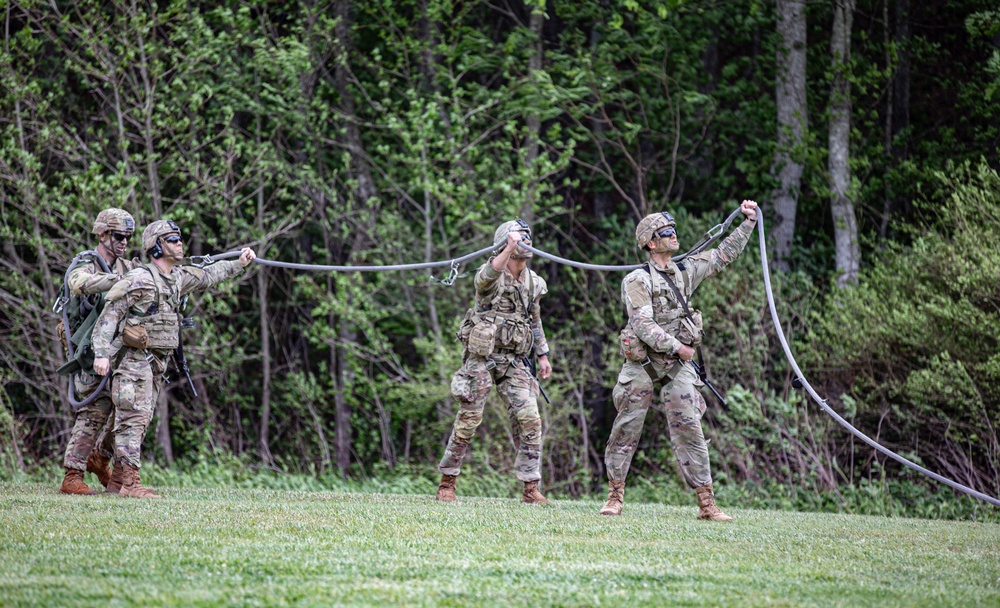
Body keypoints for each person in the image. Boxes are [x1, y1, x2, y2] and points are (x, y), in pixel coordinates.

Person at [600, 200, 759, 520]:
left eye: (674, 231)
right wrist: (678, 346)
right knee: (627, 427)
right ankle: (615, 495)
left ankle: (707, 503)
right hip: (643, 364)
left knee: (690, 427)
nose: (675, 236)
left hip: (677, 367)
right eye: (667, 232)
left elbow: (722, 255)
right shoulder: (636, 280)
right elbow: (643, 325)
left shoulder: (686, 270)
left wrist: (748, 223)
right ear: (650, 242)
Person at [91, 220, 256, 499]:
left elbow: (208, 275)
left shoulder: (177, 277)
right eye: (171, 239)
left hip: (157, 363)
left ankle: (116, 477)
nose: (179, 243)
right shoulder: (140, 278)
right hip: (134, 360)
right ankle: (130, 483)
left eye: (179, 238)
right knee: (134, 418)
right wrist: (101, 353)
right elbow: (110, 315)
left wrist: (239, 262)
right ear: (156, 246)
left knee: (137, 418)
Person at [435, 219, 554, 504]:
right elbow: (484, 279)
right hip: (482, 359)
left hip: (515, 362)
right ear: (506, 244)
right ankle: (447, 483)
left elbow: (534, 320)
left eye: (527, 238)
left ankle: (530, 488)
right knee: (469, 420)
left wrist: (543, 354)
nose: (526, 242)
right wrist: (507, 247)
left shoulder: (534, 282)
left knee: (530, 420)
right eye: (519, 238)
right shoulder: (491, 274)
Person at [58, 208, 141, 495]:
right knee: (94, 410)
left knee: (128, 410)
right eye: (119, 236)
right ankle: (72, 474)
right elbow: (77, 283)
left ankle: (101, 460)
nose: (124, 242)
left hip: (118, 350)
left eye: (128, 237)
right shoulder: (87, 262)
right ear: (103, 234)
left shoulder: (126, 266)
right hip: (90, 350)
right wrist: (117, 282)